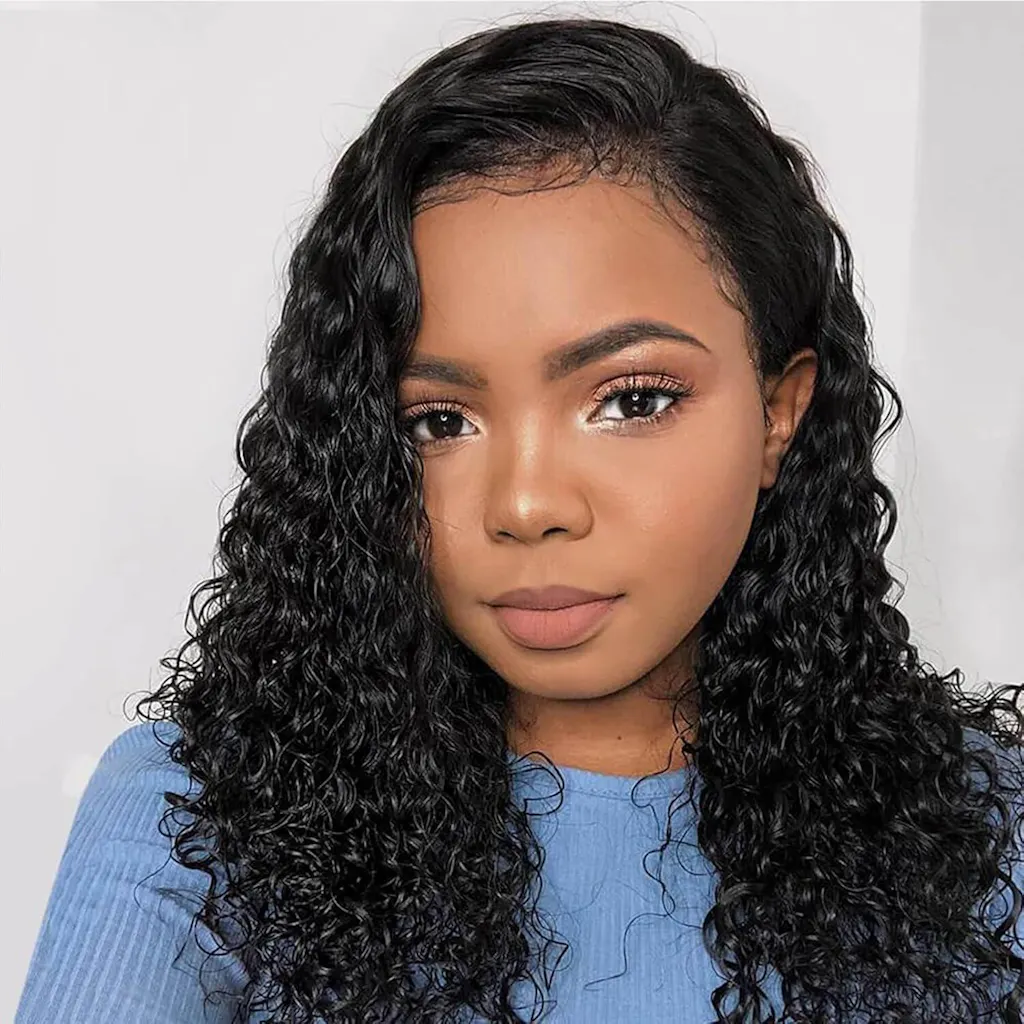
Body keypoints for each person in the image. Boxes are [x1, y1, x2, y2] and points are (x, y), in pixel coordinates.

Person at [15, 15, 1024, 1024]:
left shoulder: (990, 833)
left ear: (778, 413)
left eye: (632, 399)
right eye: (438, 421)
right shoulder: (194, 821)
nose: (527, 504)